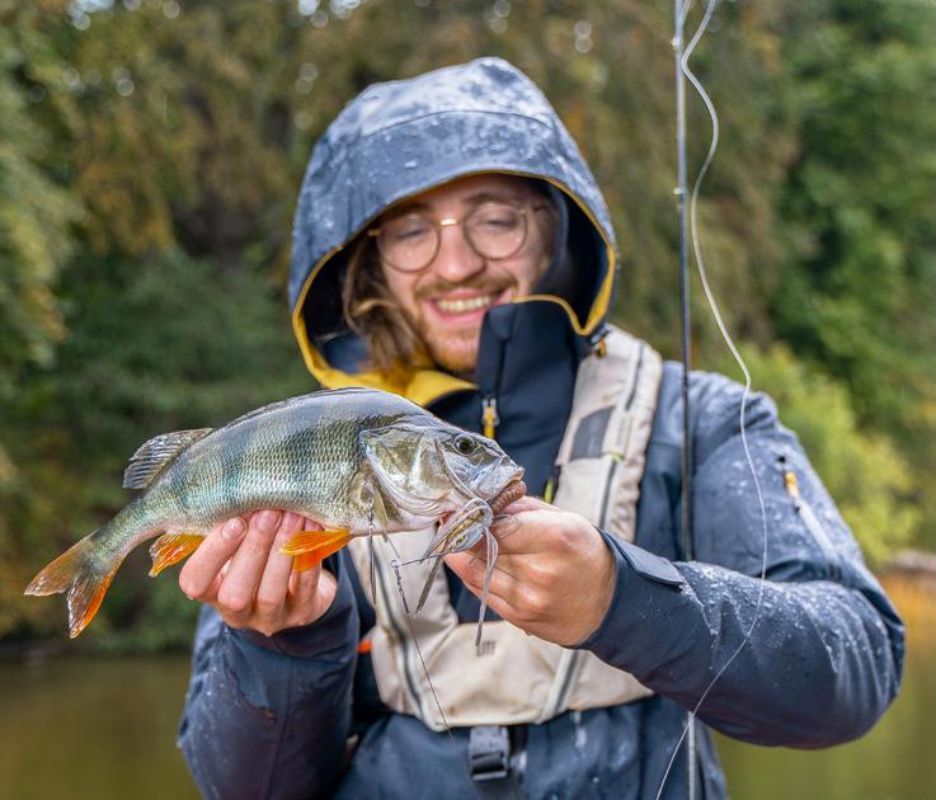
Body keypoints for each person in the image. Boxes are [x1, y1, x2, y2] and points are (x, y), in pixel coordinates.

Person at [177, 58, 904, 799]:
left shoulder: (705, 420)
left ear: (555, 229)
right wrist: (285, 645)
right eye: (410, 232)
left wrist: (625, 601)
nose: (456, 264)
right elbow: (241, 790)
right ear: (367, 263)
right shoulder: (299, 454)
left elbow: (855, 669)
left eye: (495, 218)